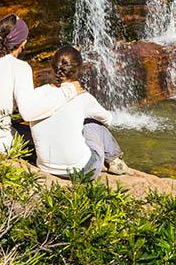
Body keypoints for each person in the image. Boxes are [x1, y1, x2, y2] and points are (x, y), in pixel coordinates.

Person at [0, 14, 76, 153]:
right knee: (47, 136)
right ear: (23, 44)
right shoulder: (20, 67)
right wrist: (68, 91)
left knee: (18, 127)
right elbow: (28, 113)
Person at [29, 46, 129, 179]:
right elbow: (108, 119)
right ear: (78, 70)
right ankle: (115, 160)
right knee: (92, 122)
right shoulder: (83, 97)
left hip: (46, 167)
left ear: (53, 67)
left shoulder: (37, 93)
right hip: (83, 171)